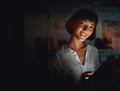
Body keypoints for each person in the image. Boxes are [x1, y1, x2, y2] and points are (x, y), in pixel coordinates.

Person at [49, 8, 100, 90]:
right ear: (72, 24)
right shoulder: (57, 54)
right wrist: (79, 84)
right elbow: (53, 85)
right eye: (82, 23)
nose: (86, 30)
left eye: (91, 27)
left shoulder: (94, 51)